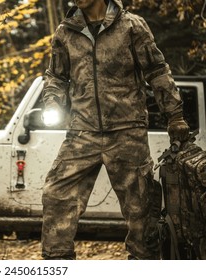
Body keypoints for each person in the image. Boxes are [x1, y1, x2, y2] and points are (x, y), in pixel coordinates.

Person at [41, 0, 190, 260]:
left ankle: (144, 265)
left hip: (127, 131)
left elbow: (156, 70)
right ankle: (57, 264)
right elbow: (56, 76)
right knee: (56, 195)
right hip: (82, 132)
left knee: (141, 210)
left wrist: (174, 115)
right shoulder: (65, 32)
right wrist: (52, 103)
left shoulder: (131, 25)